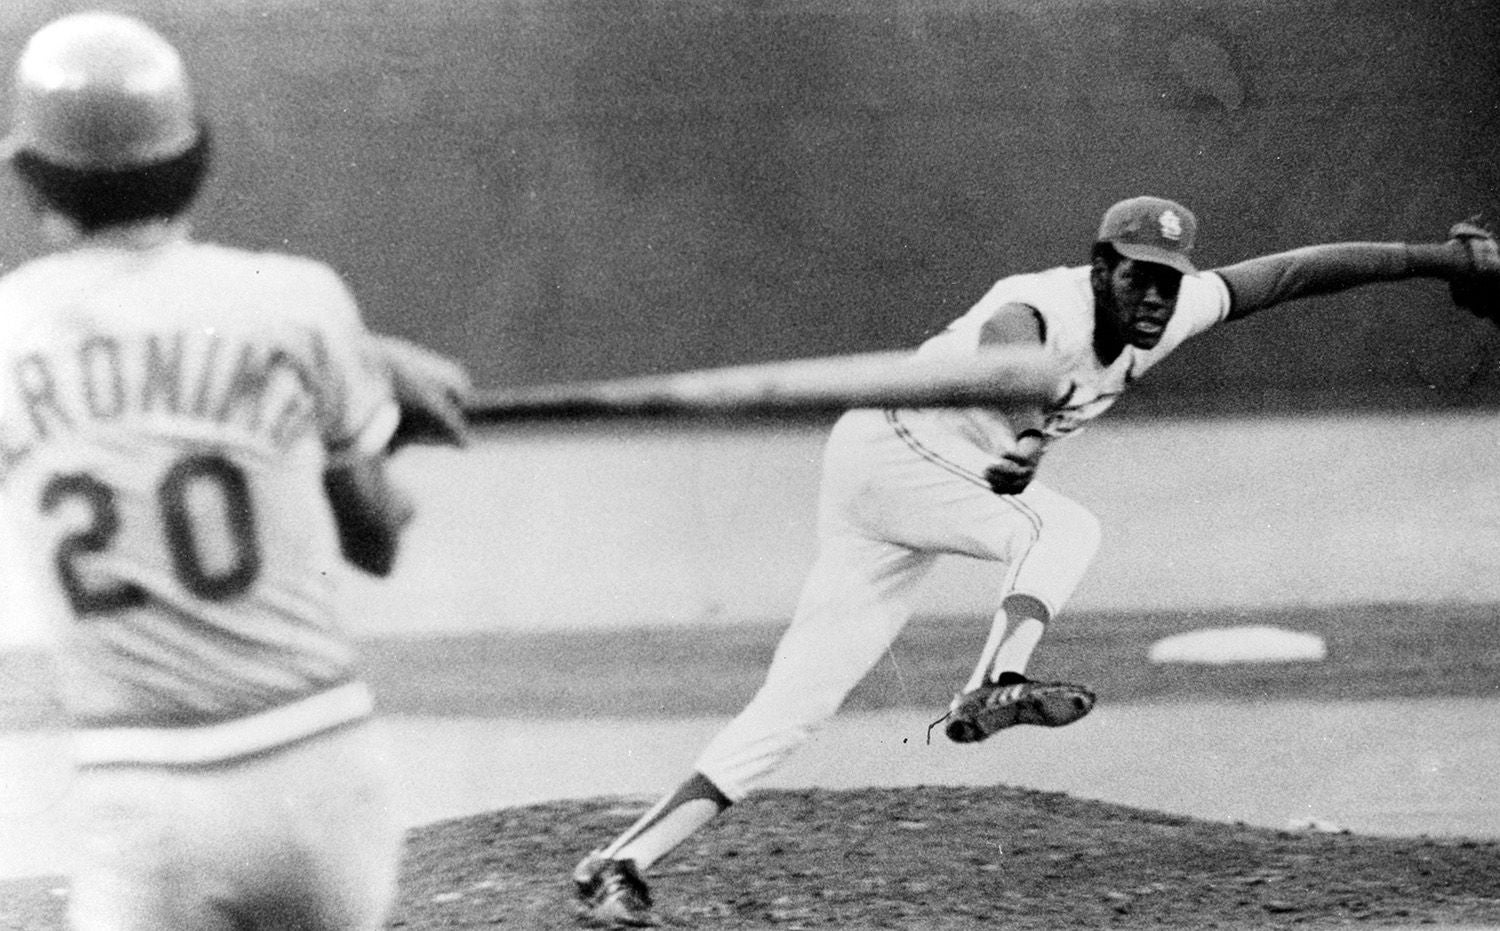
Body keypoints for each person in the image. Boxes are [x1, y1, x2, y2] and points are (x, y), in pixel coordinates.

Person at [572, 194, 1500, 926]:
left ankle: (620, 862)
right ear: (1101, 267)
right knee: (1064, 530)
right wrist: (1022, 438)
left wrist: (1439, 260)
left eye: (1169, 279)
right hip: (897, 452)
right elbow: (1010, 355)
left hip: (910, 480)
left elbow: (1297, 272)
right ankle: (994, 681)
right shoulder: (1041, 303)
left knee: (801, 699)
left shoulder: (1171, 312)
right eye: (1138, 275)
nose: (1155, 295)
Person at [0, 12, 468, 930]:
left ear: (29, 177)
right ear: (195, 157)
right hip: (325, 773)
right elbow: (374, 541)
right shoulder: (296, 302)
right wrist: (376, 420)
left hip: (146, 794)